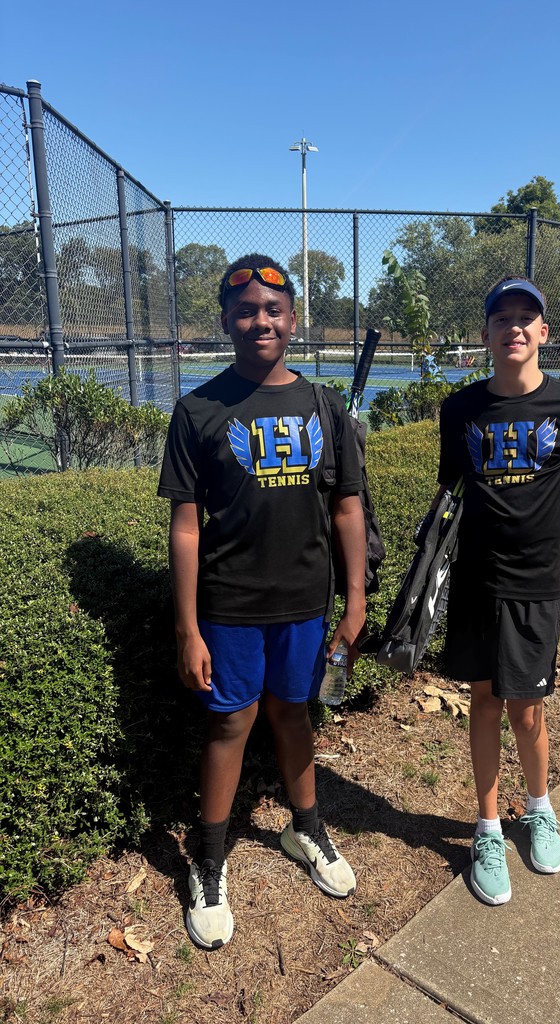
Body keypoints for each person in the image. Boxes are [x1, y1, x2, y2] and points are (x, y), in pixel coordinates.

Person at [158, 255, 367, 950]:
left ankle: (305, 829)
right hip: (230, 607)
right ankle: (209, 862)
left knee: (292, 713)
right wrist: (188, 627)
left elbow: (346, 509)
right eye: (245, 311)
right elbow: (186, 526)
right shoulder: (198, 410)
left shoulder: (324, 406)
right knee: (230, 723)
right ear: (225, 321)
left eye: (273, 310)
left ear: (293, 320)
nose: (260, 321)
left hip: (306, 603)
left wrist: (357, 598)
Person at [434, 276, 560, 906]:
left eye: (525, 318)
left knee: (527, 711)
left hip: (538, 589)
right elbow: (449, 501)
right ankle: (485, 827)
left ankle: (538, 808)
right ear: (484, 335)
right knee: (483, 702)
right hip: (478, 586)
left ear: (543, 333)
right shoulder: (459, 410)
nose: (513, 328)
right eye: (500, 318)